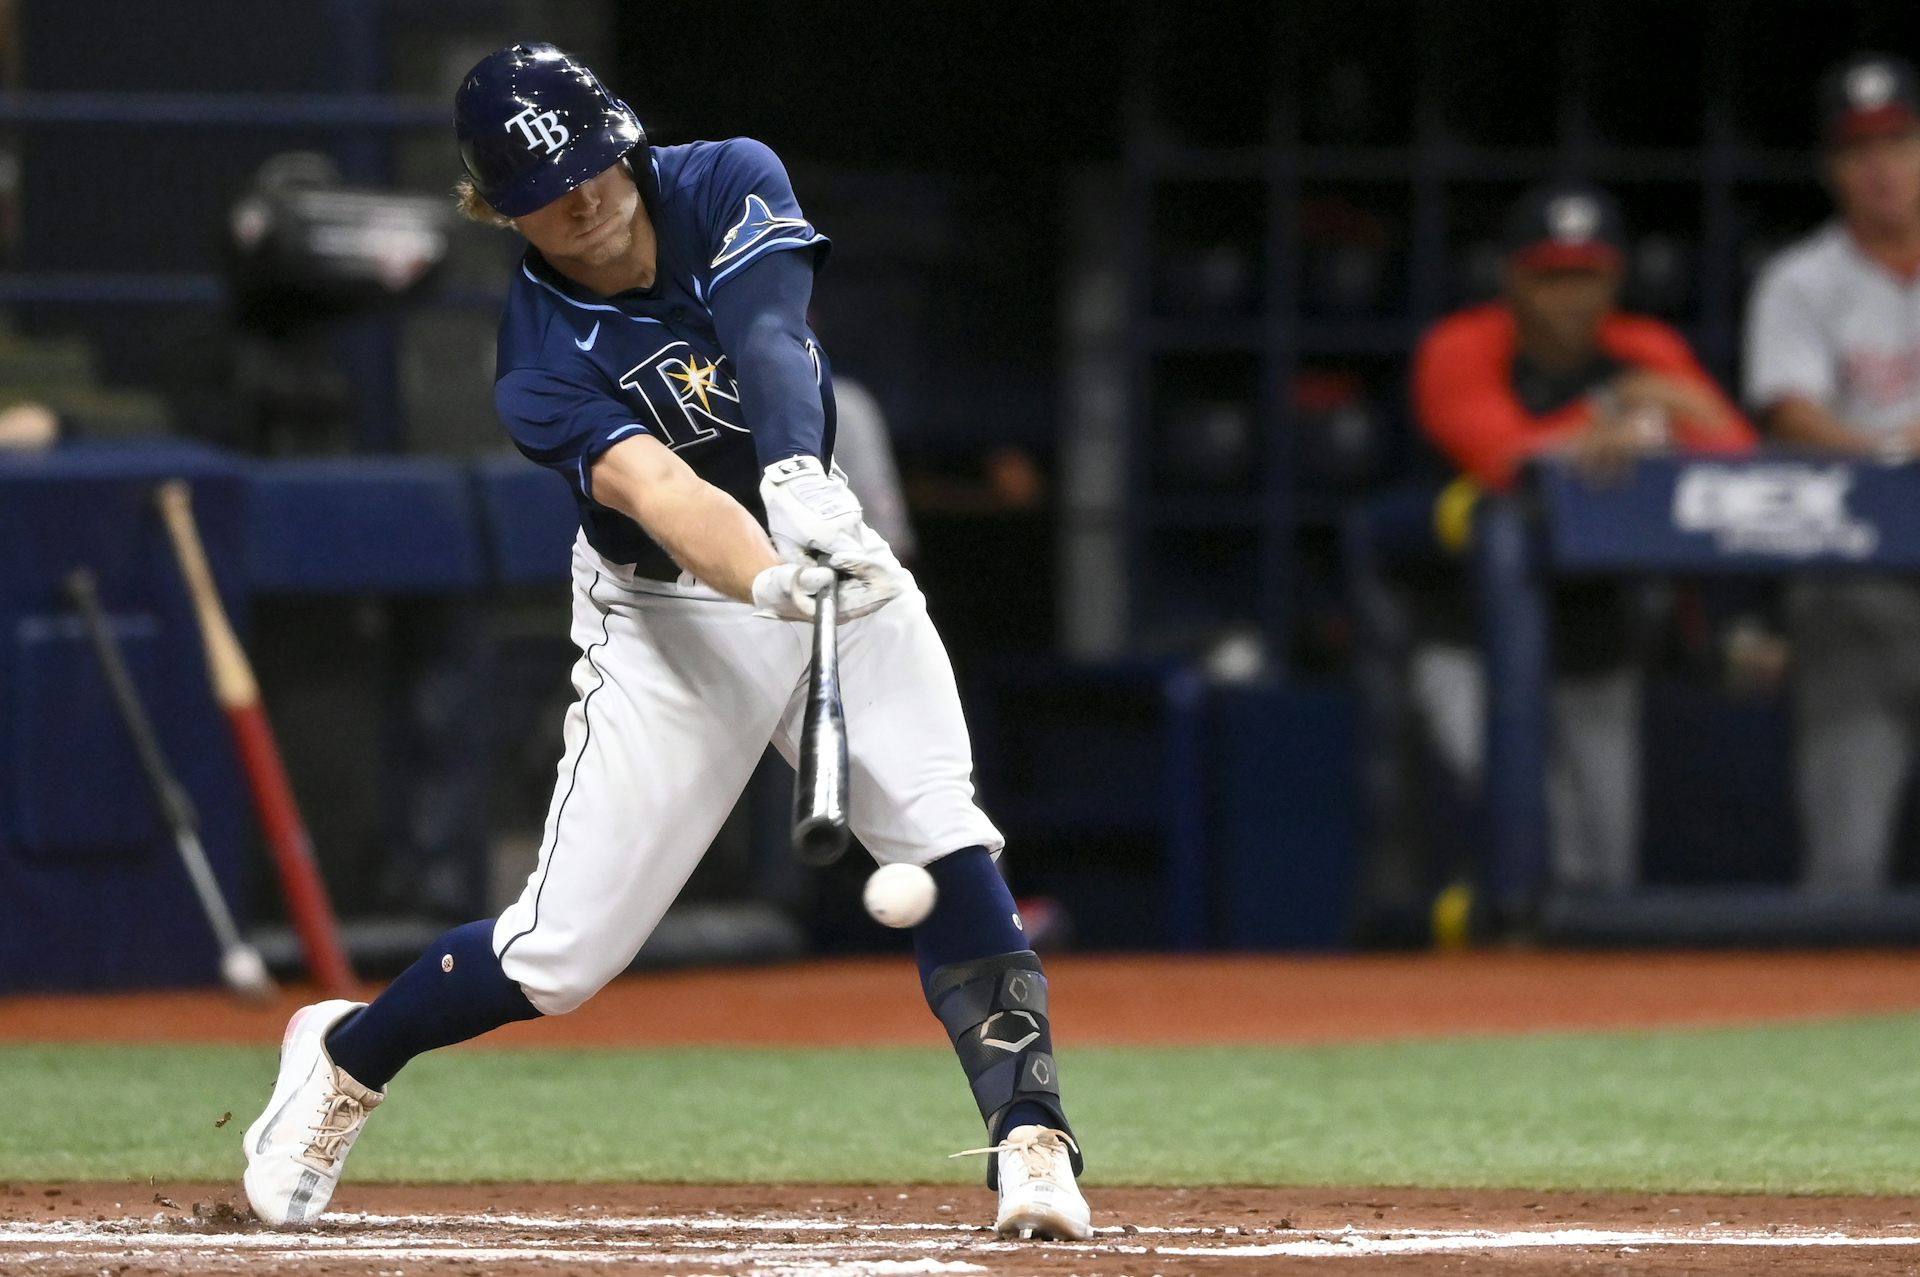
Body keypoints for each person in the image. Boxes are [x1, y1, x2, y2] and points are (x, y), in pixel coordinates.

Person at [241, 44, 1090, 1240]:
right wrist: (766, 576)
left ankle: (1032, 1135)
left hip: (828, 535)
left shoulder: (726, 177)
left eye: (590, 163)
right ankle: (344, 1053)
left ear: (623, 139)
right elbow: (654, 489)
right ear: (496, 206)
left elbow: (768, 330)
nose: (581, 195)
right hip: (669, 615)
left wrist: (800, 480)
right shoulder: (538, 362)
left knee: (943, 830)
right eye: (544, 186)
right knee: (559, 958)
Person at [1412, 180, 1754, 896]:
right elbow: (1506, 459)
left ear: (1616, 277)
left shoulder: (1645, 346)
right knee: (1530, 841)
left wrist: (1654, 419)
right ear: (1510, 277)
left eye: (1587, 275)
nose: (1570, 296)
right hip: (1469, 642)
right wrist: (1613, 410)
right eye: (1549, 276)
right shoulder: (1463, 345)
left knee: (1603, 872)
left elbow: (1739, 461)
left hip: (1597, 639)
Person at [1745, 52, 1920, 893]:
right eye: (1859, 149)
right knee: (1847, 866)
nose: (1881, 164)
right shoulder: (1801, 280)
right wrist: (1894, 453)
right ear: (1831, 169)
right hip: (1857, 585)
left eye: (1899, 139)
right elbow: (1792, 415)